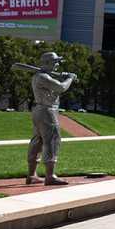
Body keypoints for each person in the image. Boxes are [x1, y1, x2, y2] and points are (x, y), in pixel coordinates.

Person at [26, 52, 78, 185]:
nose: (57, 65)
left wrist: (64, 77)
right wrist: (70, 78)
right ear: (47, 63)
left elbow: (56, 86)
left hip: (40, 110)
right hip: (47, 111)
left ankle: (32, 175)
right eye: (55, 62)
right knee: (52, 140)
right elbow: (61, 88)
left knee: (37, 141)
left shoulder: (42, 76)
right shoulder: (43, 77)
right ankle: (50, 176)